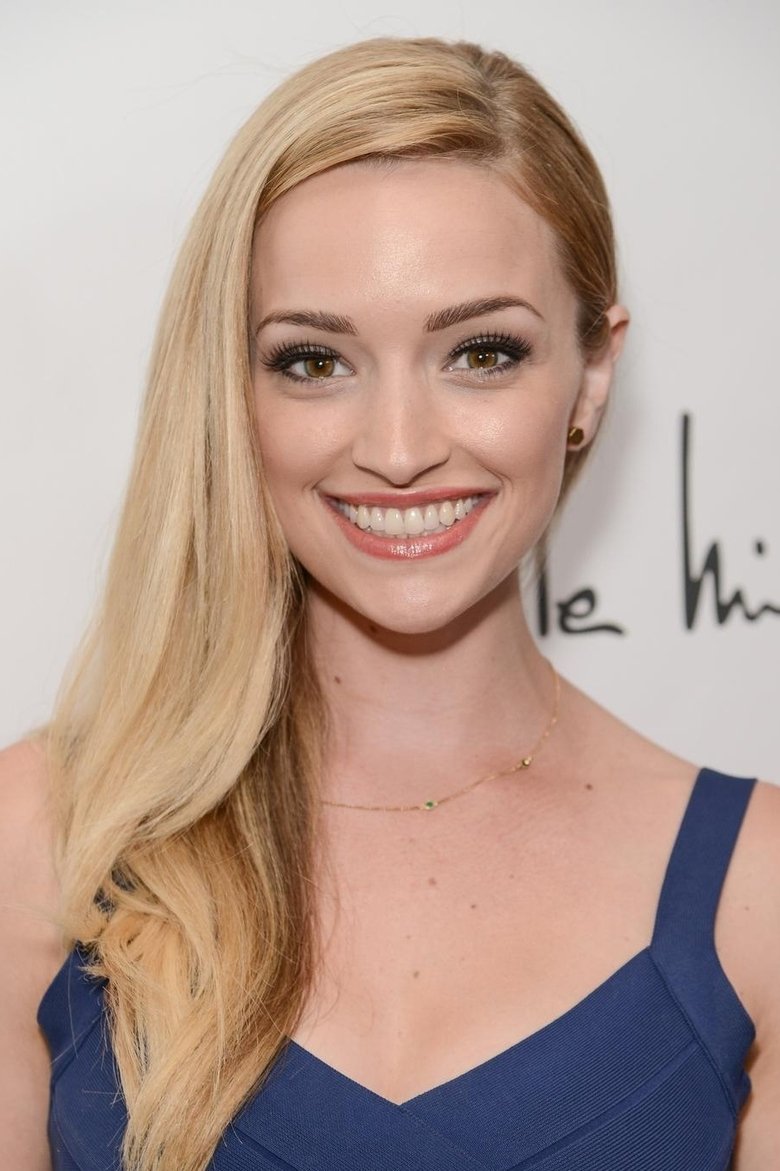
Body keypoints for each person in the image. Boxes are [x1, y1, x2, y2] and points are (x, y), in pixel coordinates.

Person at [1, 34, 778, 1171]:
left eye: (482, 351)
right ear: (232, 391)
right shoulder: (46, 839)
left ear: (592, 375)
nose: (401, 449)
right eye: (315, 362)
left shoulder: (756, 891)